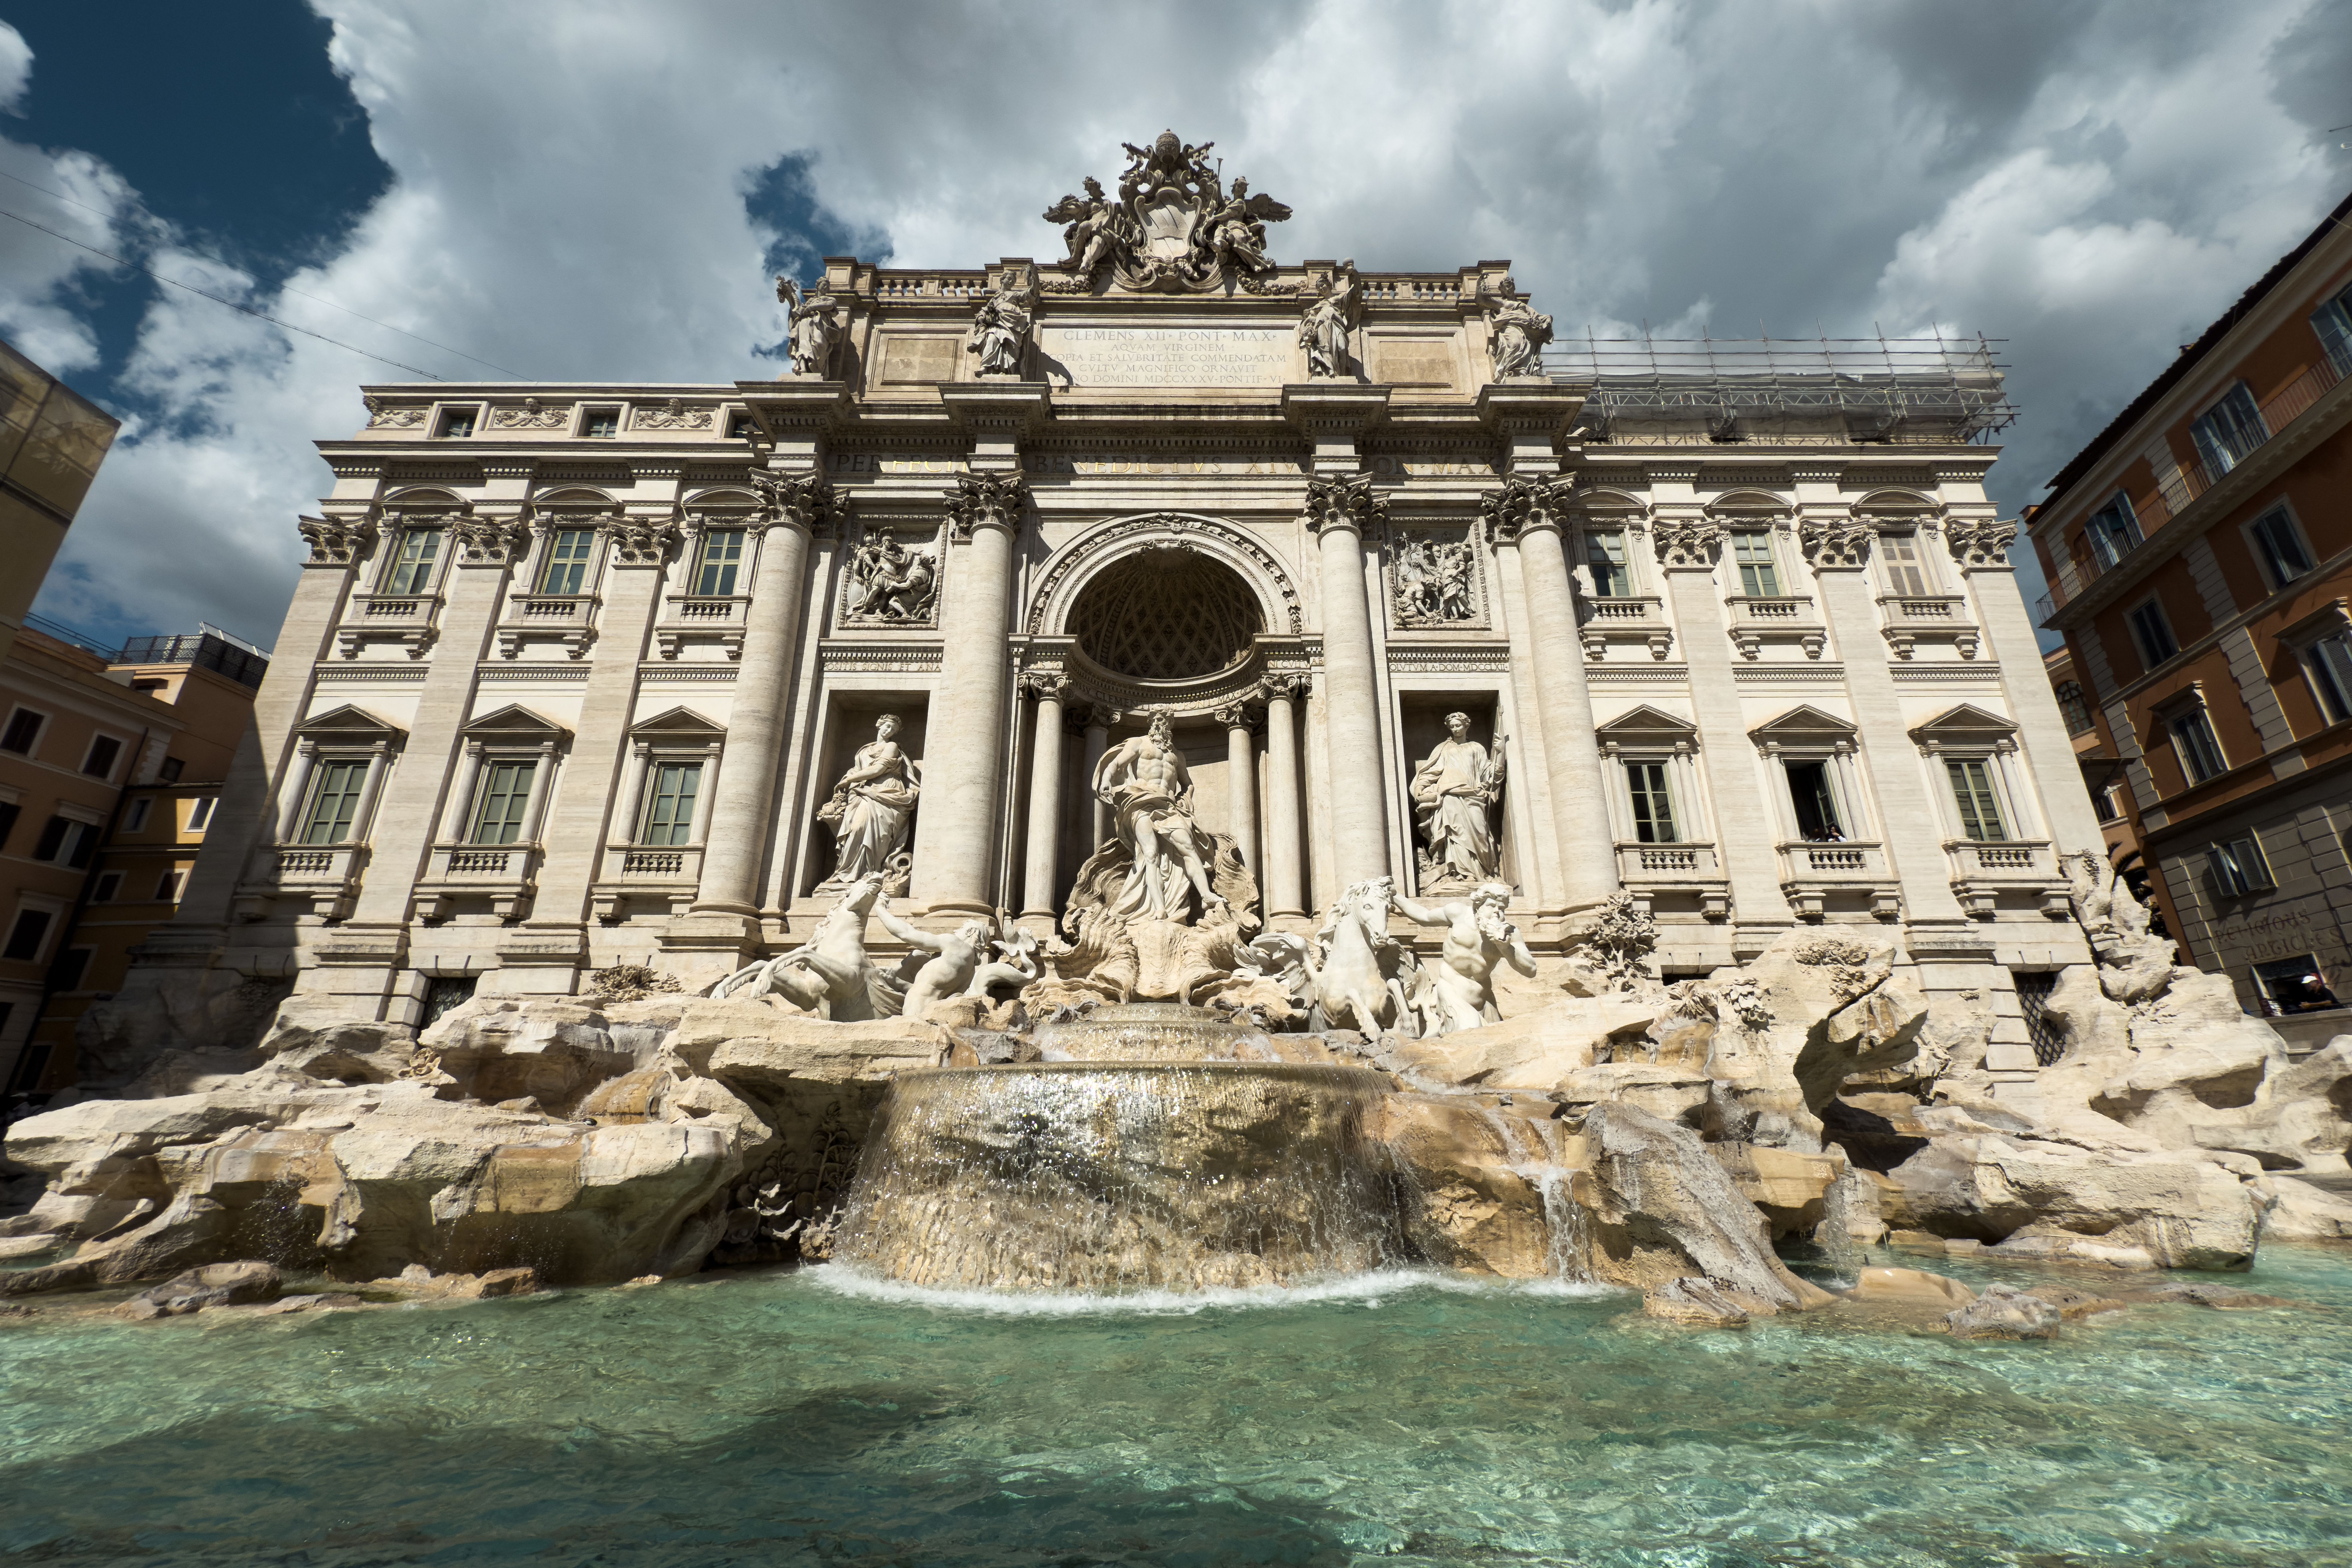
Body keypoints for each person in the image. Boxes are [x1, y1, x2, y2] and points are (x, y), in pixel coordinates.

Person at [1091, 709, 1226, 923]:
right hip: (1140, 802)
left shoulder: (1177, 755)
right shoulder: (1138, 743)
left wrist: (1186, 799)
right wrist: (1106, 780)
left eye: (1165, 719)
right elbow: (1116, 764)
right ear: (1150, 722)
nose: (1161, 723)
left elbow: (1188, 783)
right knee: (1150, 855)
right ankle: (1159, 908)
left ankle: (1206, 896)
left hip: (1169, 806)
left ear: (1171, 724)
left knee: (1189, 848)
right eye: (1156, 719)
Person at [1391, 880, 1536, 1035]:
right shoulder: (1458, 914)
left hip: (1484, 1000)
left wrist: (1506, 948)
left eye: (1501, 909)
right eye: (1492, 906)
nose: (1497, 912)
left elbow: (1531, 970)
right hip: (1451, 990)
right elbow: (1424, 917)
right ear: (1478, 906)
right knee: (1470, 1033)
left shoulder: (1510, 934)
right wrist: (1395, 896)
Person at [817, 715, 920, 890]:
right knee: (855, 829)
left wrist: (850, 780)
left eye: (893, 730)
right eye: (887, 727)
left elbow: (878, 769)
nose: (889, 731)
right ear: (879, 725)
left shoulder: (892, 747)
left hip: (887, 791)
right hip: (863, 791)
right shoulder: (864, 750)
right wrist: (849, 780)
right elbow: (858, 770)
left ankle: (870, 872)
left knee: (872, 832)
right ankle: (845, 873)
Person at [1411, 712, 1503, 886]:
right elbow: (1430, 772)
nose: (1455, 729)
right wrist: (1419, 789)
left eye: (1458, 725)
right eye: (1452, 727)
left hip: (1473, 796)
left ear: (1467, 725)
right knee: (1455, 834)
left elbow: (1490, 777)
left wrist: (1500, 753)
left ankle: (1481, 873)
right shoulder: (1444, 748)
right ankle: (1460, 874)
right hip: (1449, 797)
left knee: (1480, 832)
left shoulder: (1477, 748)